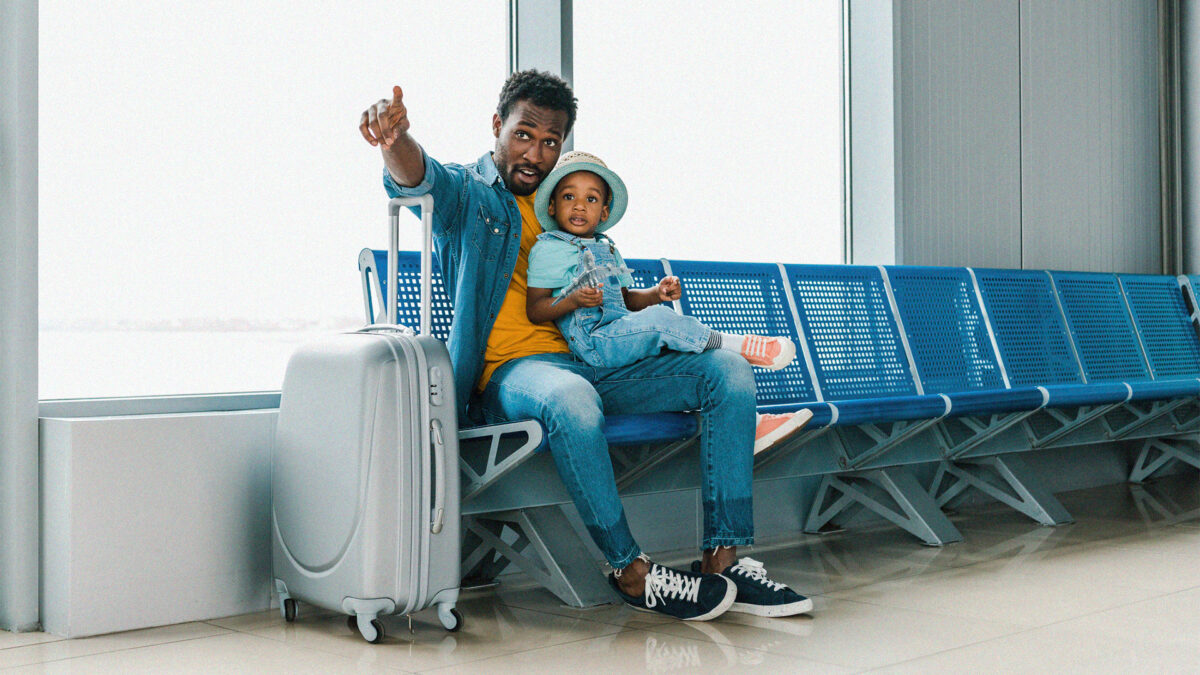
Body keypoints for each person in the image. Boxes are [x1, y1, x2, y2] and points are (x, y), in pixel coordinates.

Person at [359, 70, 812, 620]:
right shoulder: (472, 195)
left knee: (727, 372)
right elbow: (418, 179)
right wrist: (394, 140)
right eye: (524, 135)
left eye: (551, 142)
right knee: (571, 397)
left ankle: (723, 563)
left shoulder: (566, 206)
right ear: (497, 126)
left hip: (590, 362)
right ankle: (629, 570)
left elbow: (610, 298)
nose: (536, 153)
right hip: (513, 375)